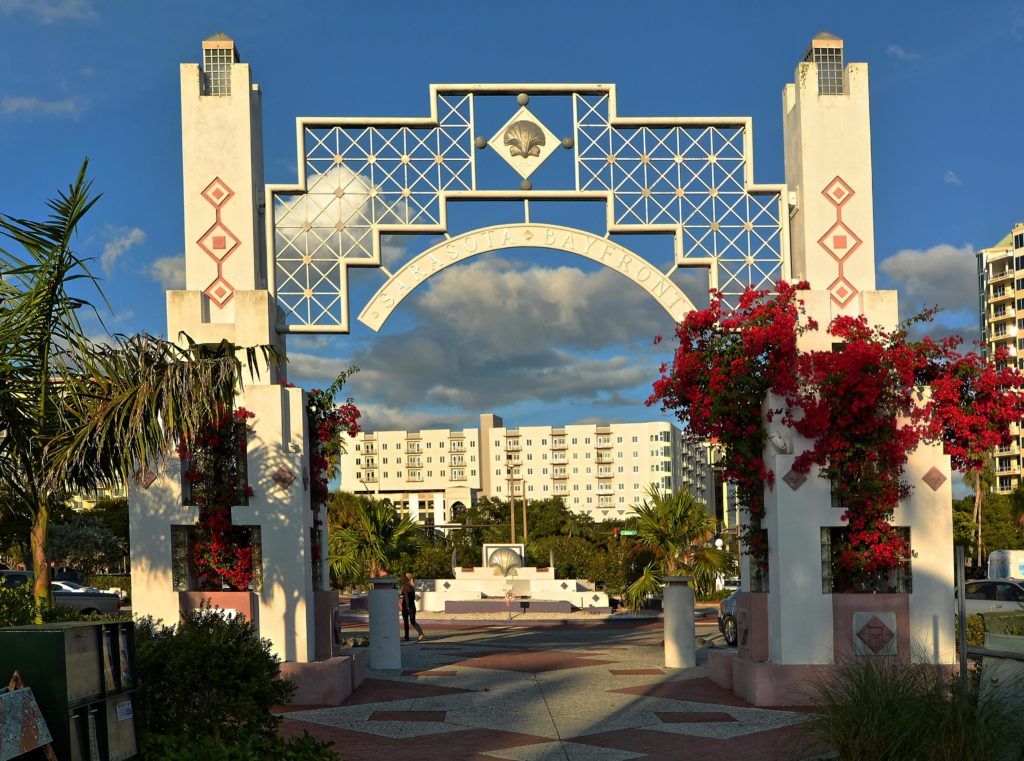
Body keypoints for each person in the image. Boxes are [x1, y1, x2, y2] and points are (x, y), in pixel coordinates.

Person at [400, 572, 425, 642]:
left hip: (406, 607)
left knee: (406, 622)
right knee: (413, 621)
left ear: (405, 578)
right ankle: (421, 634)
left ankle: (406, 637)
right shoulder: (412, 586)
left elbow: (406, 597)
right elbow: (413, 597)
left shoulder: (405, 587)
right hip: (413, 607)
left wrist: (407, 607)